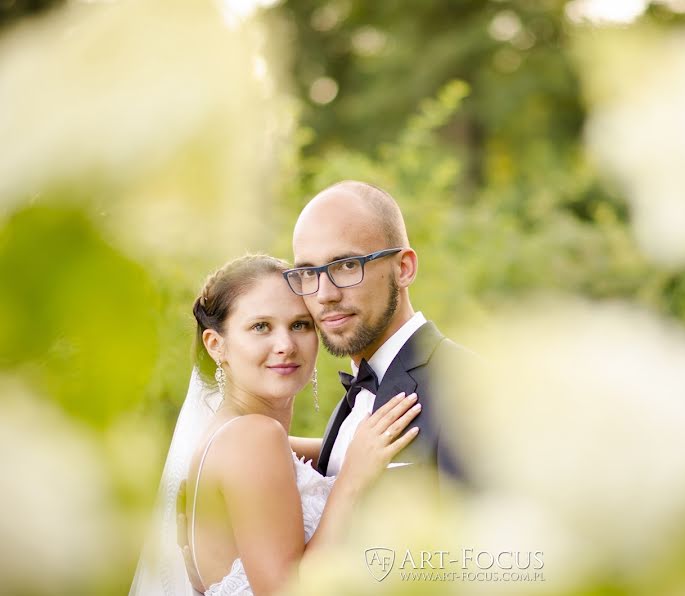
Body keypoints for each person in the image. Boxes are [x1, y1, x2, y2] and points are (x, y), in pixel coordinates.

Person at [130, 254, 420, 596]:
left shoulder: (229, 436)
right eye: (261, 327)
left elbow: (331, 451)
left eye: (300, 325)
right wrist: (353, 480)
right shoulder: (254, 438)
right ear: (216, 345)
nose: (285, 345)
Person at [288, 181, 469, 481]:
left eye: (346, 265)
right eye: (308, 272)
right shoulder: (349, 407)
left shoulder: (463, 392)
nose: (324, 295)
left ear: (404, 269)